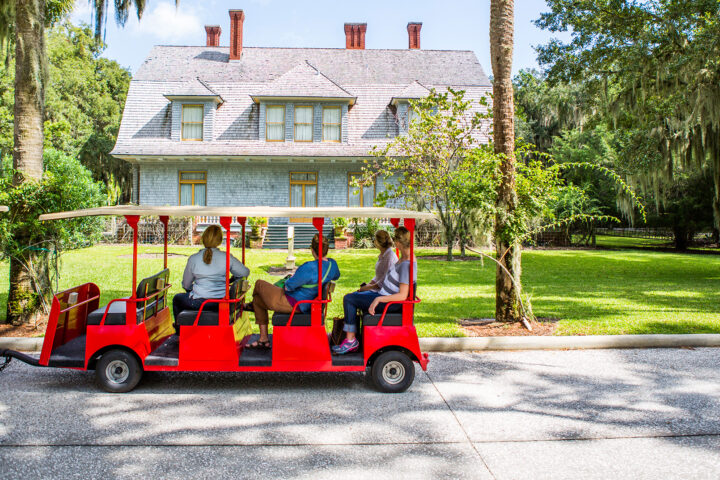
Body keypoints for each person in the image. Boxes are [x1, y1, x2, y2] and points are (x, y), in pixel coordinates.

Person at [246, 233, 340, 349]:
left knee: (259, 284)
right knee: (258, 300)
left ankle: (251, 307)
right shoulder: (332, 265)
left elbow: (288, 287)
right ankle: (263, 339)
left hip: (295, 303)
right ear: (327, 249)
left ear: (312, 250)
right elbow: (336, 276)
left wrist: (291, 278)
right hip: (307, 302)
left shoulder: (309, 267)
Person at [333, 226, 416, 355]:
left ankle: (350, 341)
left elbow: (403, 295)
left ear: (399, 243)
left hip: (388, 303)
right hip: (383, 295)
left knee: (349, 299)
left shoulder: (406, 264)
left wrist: (378, 298)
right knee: (353, 296)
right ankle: (354, 336)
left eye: (395, 240)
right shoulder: (404, 258)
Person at [172, 225, 250, 328]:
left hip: (199, 303)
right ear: (219, 240)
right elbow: (244, 272)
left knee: (177, 298)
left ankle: (180, 331)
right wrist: (231, 279)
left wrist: (193, 291)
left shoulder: (194, 258)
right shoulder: (226, 257)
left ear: (203, 238)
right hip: (222, 302)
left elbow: (186, 285)